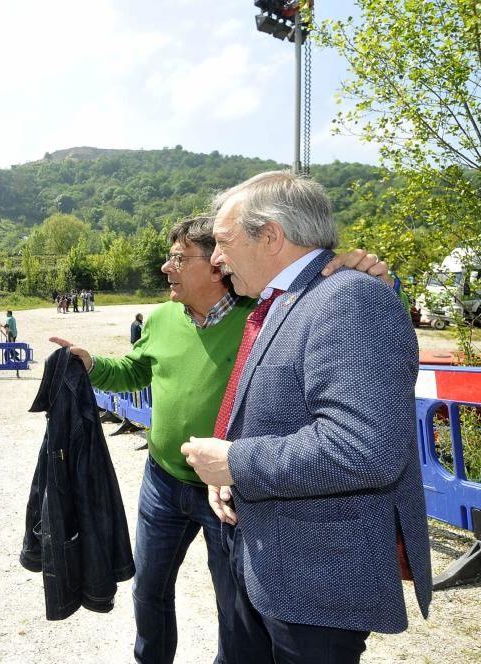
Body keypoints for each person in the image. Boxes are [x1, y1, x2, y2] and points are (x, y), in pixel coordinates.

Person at [51, 215, 397, 664]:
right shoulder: (160, 318)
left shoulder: (264, 317)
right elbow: (137, 369)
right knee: (149, 589)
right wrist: (92, 362)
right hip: (163, 480)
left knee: (236, 605)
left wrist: (362, 270)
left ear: (214, 266)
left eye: (177, 257)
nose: (165, 267)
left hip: (230, 492)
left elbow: (332, 306)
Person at [181, 171, 431, 664]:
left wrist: (237, 462)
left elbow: (363, 447)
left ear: (270, 235)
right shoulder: (284, 301)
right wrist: (225, 473)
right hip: (269, 560)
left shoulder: (349, 297)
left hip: (315, 581)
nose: (215, 259)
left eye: (223, 243)